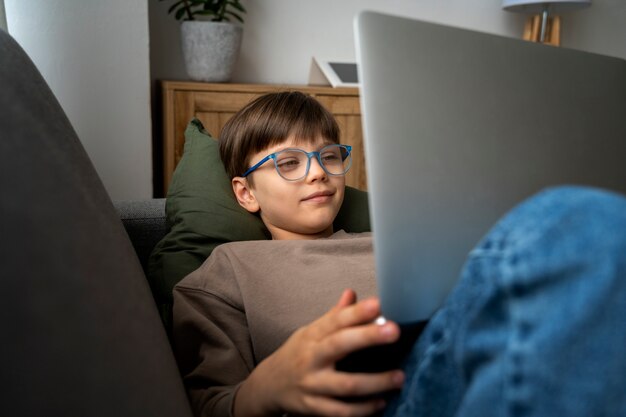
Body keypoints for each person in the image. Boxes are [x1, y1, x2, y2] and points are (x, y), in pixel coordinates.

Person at [172, 91, 626, 417]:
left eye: (328, 156)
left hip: (464, 355)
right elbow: (204, 402)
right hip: (379, 396)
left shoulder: (398, 240)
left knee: (587, 227)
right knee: (574, 212)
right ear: (245, 193)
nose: (317, 174)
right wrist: (267, 388)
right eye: (288, 163)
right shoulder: (226, 270)